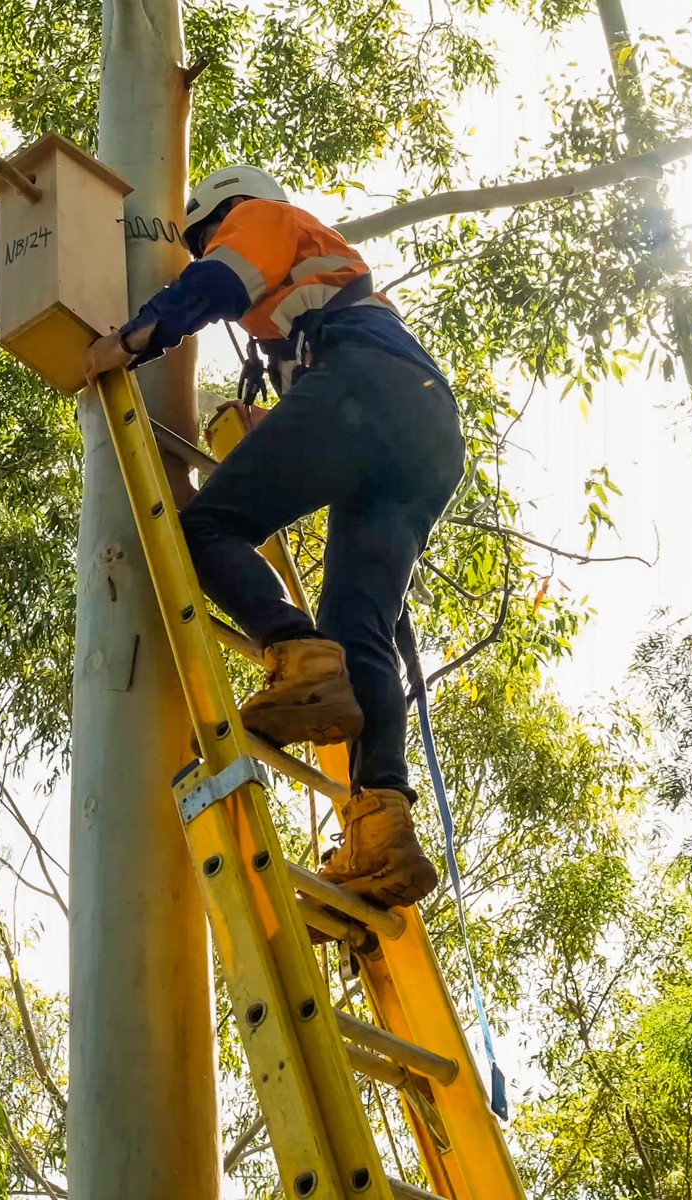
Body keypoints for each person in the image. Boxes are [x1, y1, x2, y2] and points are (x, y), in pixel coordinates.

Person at [83, 165, 460, 908]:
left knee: (207, 526)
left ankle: (293, 654)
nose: (206, 247)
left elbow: (215, 283)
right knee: (363, 631)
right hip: (425, 428)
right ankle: (382, 826)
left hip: (367, 387)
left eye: (203, 237)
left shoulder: (262, 218)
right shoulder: (324, 294)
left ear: (223, 209)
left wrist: (130, 340)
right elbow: (313, 411)